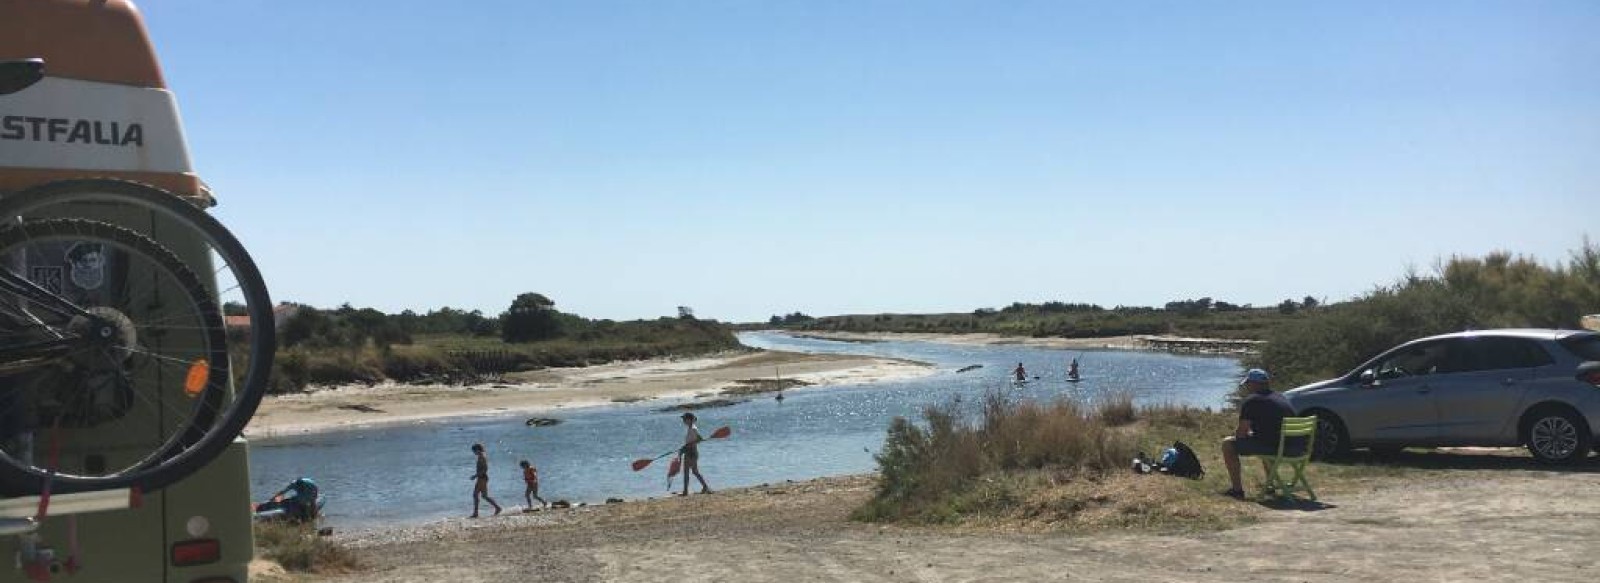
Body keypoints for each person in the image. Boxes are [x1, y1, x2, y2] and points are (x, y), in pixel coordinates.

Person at [1220, 368, 1296, 499]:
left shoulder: (1252, 401)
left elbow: (1241, 434)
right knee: (1264, 441)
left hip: (1274, 447)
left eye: (1248, 384)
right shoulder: (1280, 397)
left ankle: (1237, 490)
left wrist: (1240, 435)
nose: (1247, 387)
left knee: (1228, 444)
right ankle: (1270, 485)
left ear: (1254, 384)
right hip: (1294, 447)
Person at [678, 412, 712, 496]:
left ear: (689, 420)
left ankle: (686, 492)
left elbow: (698, 440)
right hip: (690, 451)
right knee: (694, 471)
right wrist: (683, 448)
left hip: (691, 452)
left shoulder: (693, 429)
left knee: (689, 471)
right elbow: (699, 438)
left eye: (684, 419)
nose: (683, 421)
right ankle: (705, 487)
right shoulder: (691, 428)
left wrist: (684, 448)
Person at [469, 443, 502, 518]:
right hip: (482, 478)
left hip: (482, 478)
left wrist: (475, 475)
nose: (474, 453)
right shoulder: (482, 455)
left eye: (474, 451)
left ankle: (476, 513)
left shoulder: (482, 456)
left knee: (475, 495)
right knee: (484, 496)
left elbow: (485, 469)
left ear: (477, 449)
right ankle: (497, 508)